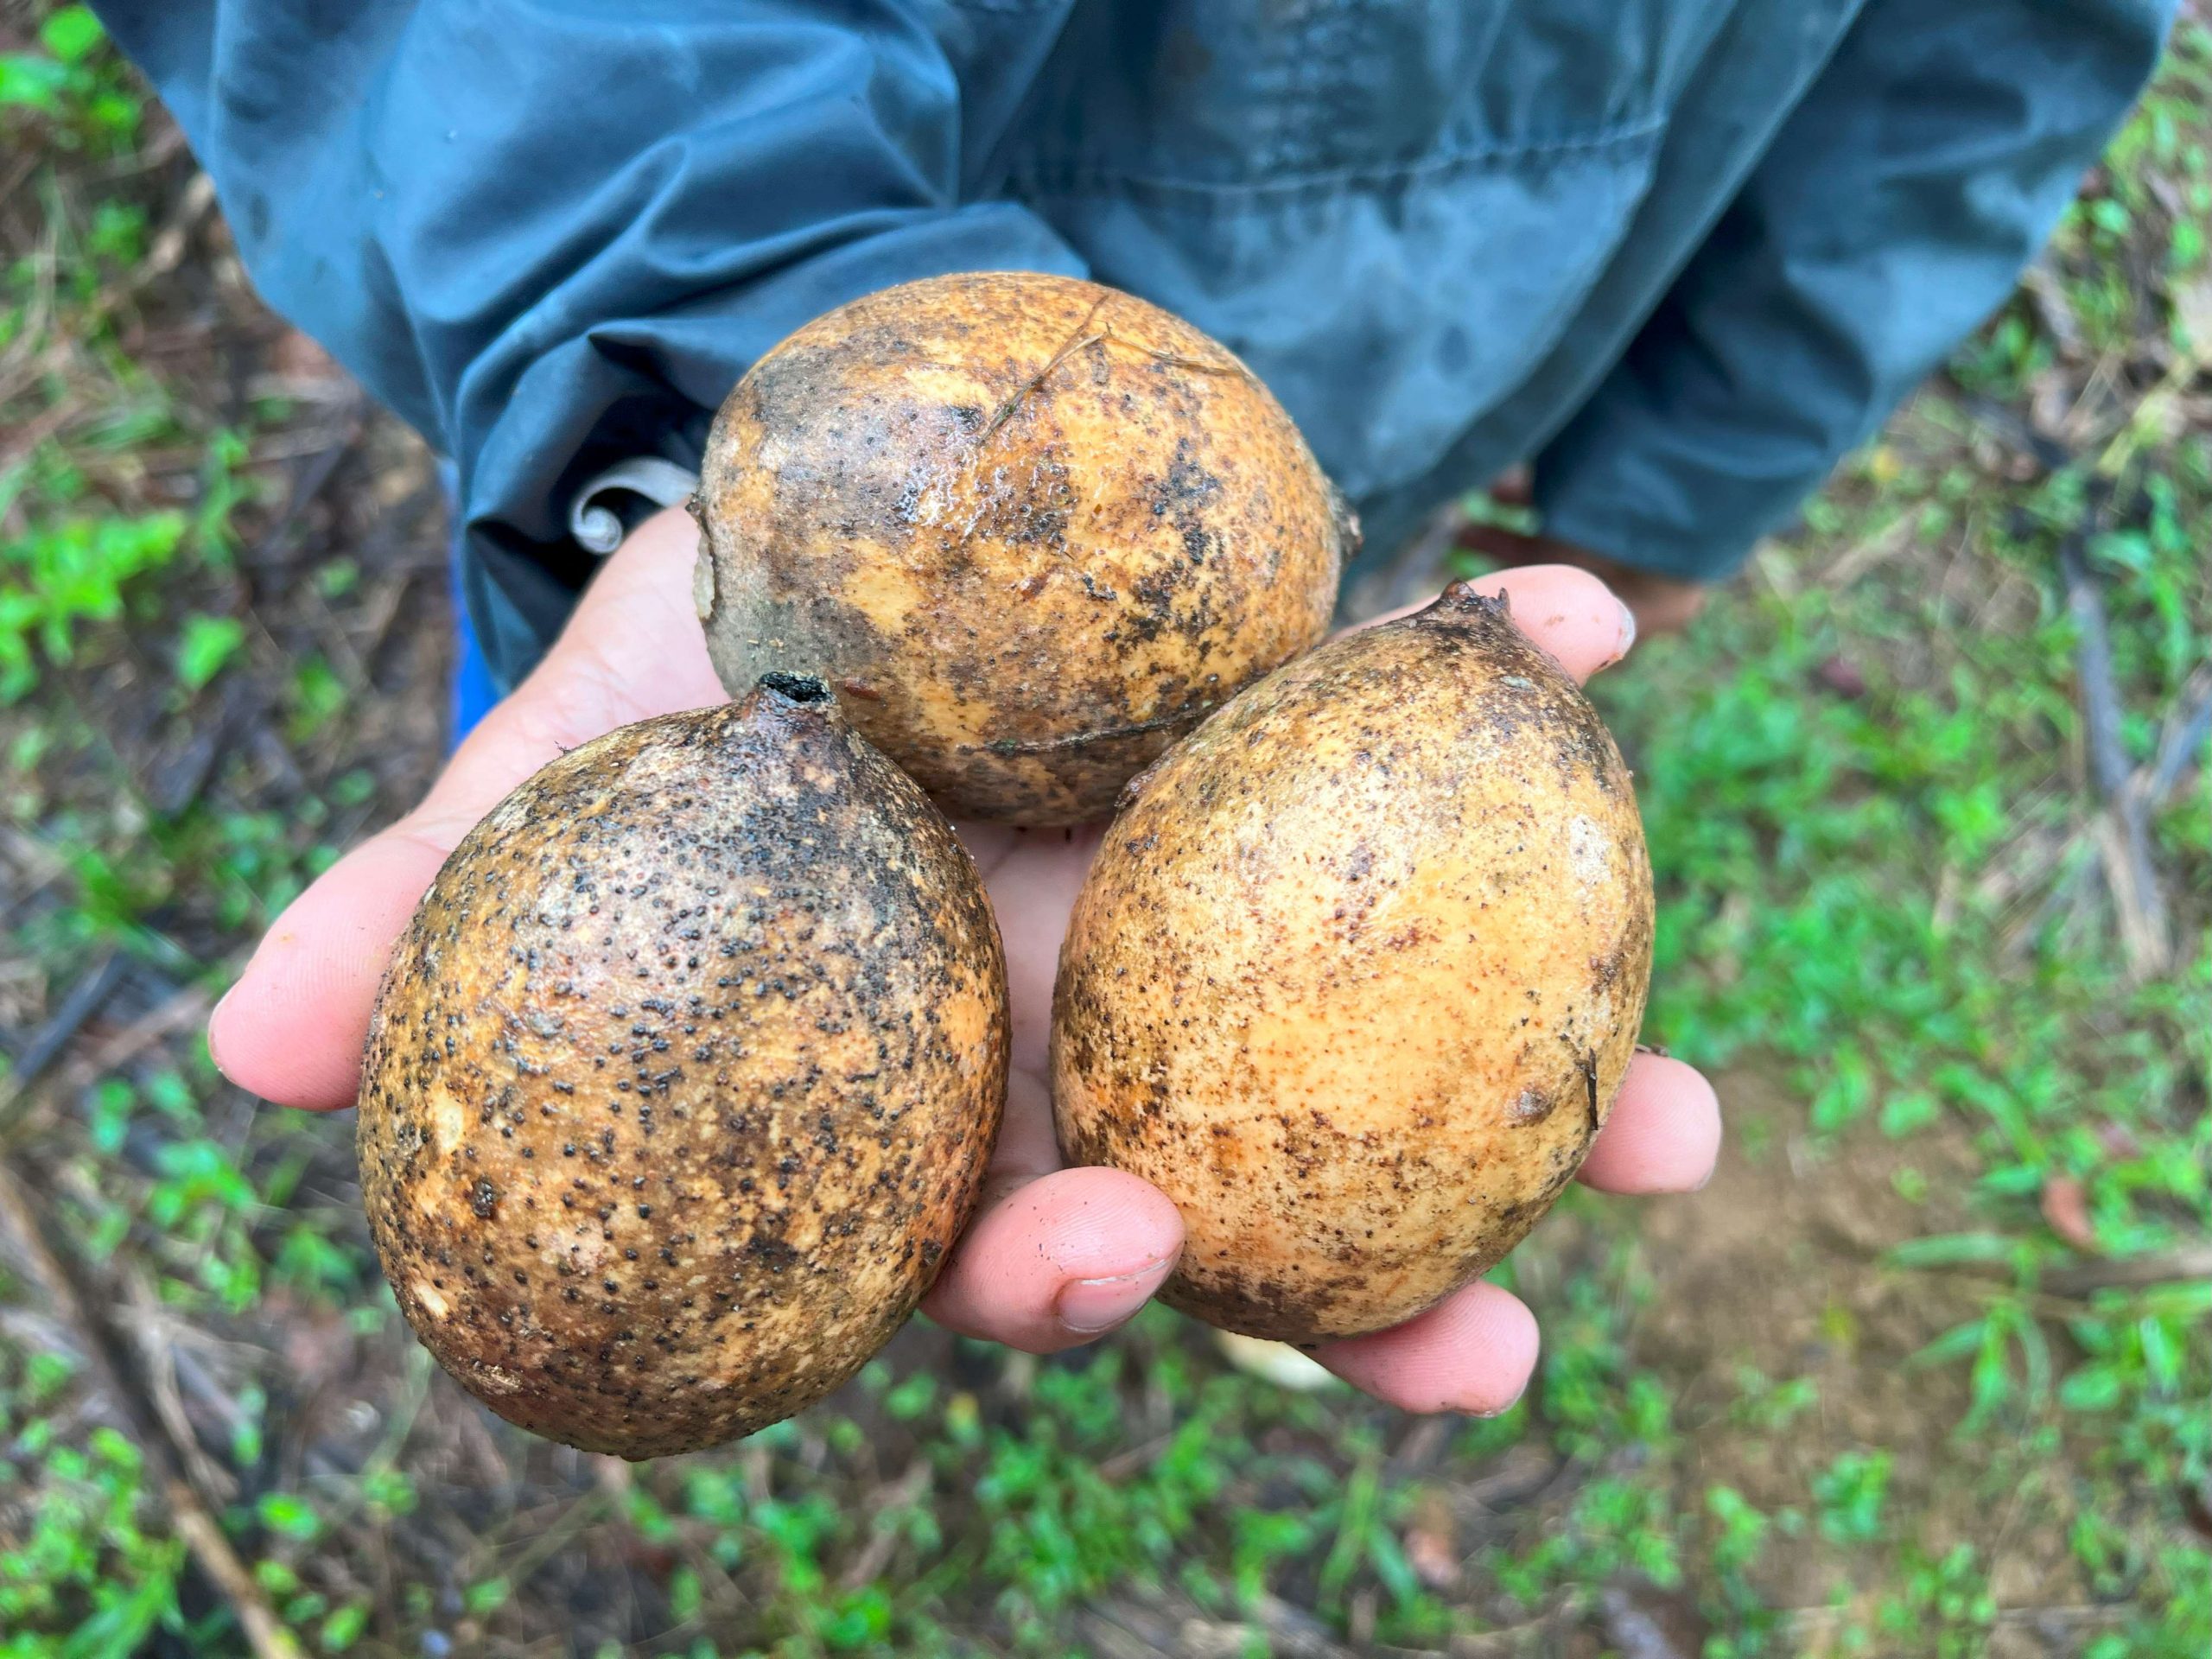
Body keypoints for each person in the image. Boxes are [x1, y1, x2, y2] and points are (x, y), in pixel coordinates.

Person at [97, 1, 2166, 1413]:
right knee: (726, 717)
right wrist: (726, 292)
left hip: (1341, 466)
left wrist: (1703, 462)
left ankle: (1230, 1226)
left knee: (1365, 701)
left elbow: (1983, 60)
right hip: (785, 370)